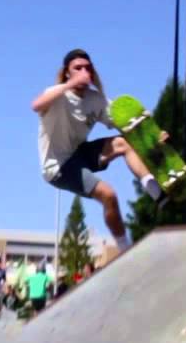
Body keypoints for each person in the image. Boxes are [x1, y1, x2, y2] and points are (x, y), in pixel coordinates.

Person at [33, 48, 168, 256]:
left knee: (124, 143)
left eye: (87, 68)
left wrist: (154, 135)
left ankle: (157, 193)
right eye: (77, 68)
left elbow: (126, 124)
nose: (83, 72)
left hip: (80, 153)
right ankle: (124, 250)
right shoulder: (57, 94)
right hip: (58, 167)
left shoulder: (96, 99)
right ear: (67, 72)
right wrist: (69, 85)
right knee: (109, 195)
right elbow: (36, 105)